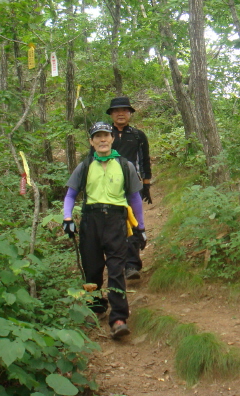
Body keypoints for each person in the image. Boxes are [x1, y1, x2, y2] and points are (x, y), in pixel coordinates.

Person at [62, 122, 146, 340]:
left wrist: (140, 227)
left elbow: (135, 198)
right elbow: (71, 195)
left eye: (105, 136)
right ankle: (95, 306)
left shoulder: (124, 165)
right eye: (97, 136)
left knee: (116, 268)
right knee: (92, 267)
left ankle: (119, 319)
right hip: (91, 219)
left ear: (112, 139)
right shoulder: (86, 165)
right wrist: (67, 218)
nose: (102, 140)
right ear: (91, 141)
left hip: (117, 220)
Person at [106, 96, 152, 280]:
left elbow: (144, 160)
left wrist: (146, 185)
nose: (120, 114)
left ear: (130, 113)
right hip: (107, 187)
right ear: (111, 114)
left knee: (132, 222)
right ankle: (115, 264)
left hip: (132, 186)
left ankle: (132, 265)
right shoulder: (103, 134)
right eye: (116, 111)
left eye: (124, 110)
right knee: (112, 225)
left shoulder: (137, 135)